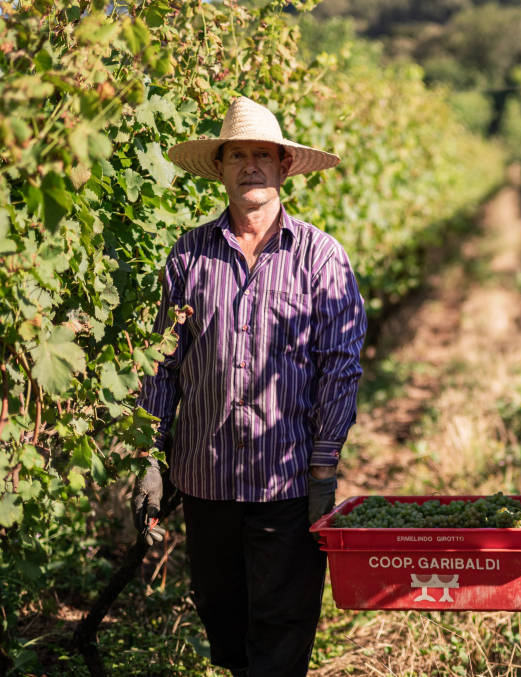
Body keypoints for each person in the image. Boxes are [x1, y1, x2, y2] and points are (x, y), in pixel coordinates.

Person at [130, 97, 367, 677]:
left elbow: (339, 367)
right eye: (238, 155)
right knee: (225, 624)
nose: (251, 166)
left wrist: (323, 470)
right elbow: (163, 364)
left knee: (282, 630)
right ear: (220, 168)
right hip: (206, 479)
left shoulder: (321, 258)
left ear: (285, 166)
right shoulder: (188, 255)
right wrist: (149, 458)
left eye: (263, 154)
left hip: (286, 482)